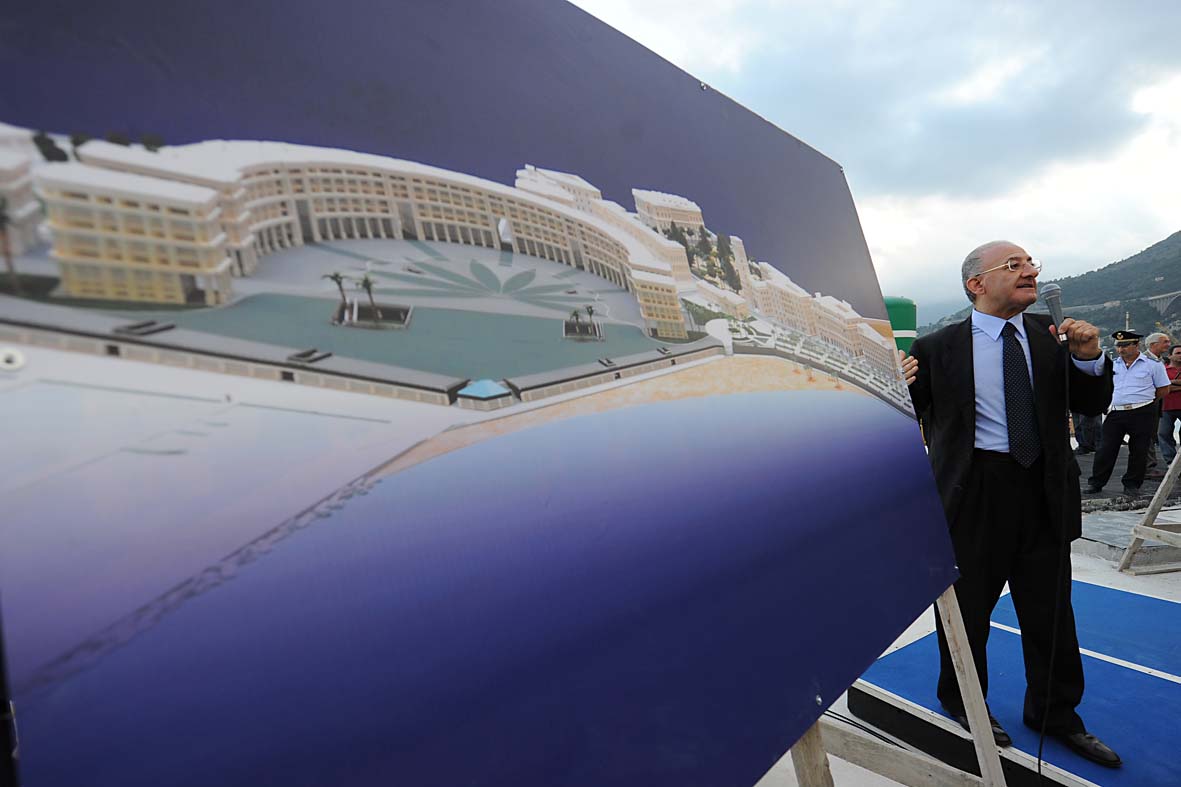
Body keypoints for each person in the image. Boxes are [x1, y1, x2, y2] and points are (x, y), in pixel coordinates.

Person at [902, 240, 1120, 768]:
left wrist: (1090, 359)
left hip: (1043, 490)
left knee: (1051, 614)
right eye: (1013, 265)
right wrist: (898, 387)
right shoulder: (937, 348)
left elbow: (1092, 405)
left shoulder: (1053, 340)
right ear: (976, 283)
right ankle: (964, 704)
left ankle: (1056, 715)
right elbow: (906, 421)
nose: (1030, 271)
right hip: (972, 492)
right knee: (967, 611)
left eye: (1031, 264)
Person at [1086, 332, 1171, 496]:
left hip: (1142, 411)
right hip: (1116, 412)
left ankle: (1132, 484)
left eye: (1125, 345)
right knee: (1105, 449)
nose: (1120, 349)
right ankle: (1096, 482)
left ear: (1136, 345)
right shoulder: (1113, 365)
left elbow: (1163, 389)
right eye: (1118, 346)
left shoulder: (1153, 365)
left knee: (1139, 450)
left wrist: (1145, 401)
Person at [1143, 332, 1170, 476]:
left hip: (1157, 404)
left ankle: (1149, 465)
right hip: (1146, 403)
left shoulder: (1161, 361)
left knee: (1152, 435)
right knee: (1146, 435)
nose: (1168, 344)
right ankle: (1148, 467)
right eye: (1165, 342)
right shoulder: (1143, 360)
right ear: (1153, 345)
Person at [1157, 344, 1181, 467]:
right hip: (1166, 407)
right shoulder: (1162, 370)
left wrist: (1171, 383)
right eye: (1178, 353)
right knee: (1164, 434)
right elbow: (1163, 387)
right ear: (1170, 356)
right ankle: (1170, 461)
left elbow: (1167, 386)